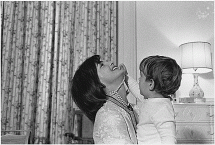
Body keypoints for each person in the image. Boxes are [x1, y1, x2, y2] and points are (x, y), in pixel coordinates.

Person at [71, 55, 138, 144]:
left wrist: (127, 78)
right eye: (101, 65)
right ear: (95, 84)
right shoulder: (108, 115)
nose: (111, 62)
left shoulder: (132, 109)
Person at [126, 55, 182, 144]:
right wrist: (125, 76)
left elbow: (169, 139)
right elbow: (137, 90)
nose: (139, 80)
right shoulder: (152, 100)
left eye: (141, 77)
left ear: (151, 84)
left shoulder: (162, 108)